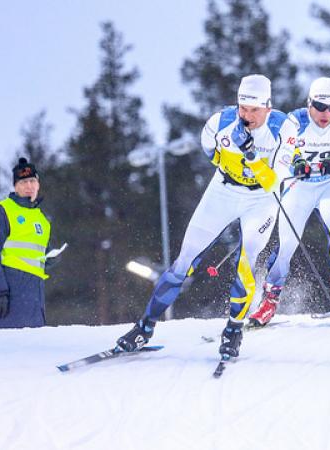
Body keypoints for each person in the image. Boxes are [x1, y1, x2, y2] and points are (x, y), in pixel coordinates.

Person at [116, 74, 299, 359]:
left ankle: (234, 329)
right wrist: (234, 165)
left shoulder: (284, 129)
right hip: (223, 191)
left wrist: (250, 156)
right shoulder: (220, 123)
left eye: (254, 110)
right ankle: (144, 327)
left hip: (261, 200)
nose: (247, 116)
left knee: (246, 264)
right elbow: (211, 153)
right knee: (183, 261)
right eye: (243, 108)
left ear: (268, 107)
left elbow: (274, 184)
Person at [249, 77, 330, 327]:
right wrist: (295, 165)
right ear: (309, 103)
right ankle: (269, 301)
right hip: (300, 188)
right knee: (287, 244)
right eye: (320, 106)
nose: (327, 113)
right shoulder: (294, 121)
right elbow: (283, 159)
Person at [0, 158, 65, 328]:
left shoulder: (42, 219)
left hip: (35, 297)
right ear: (15, 186)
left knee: (34, 349)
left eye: (33, 181)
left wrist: (49, 259)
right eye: (24, 182)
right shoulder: (1, 211)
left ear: (38, 184)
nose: (29, 186)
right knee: (10, 350)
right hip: (11, 294)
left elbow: (33, 254)